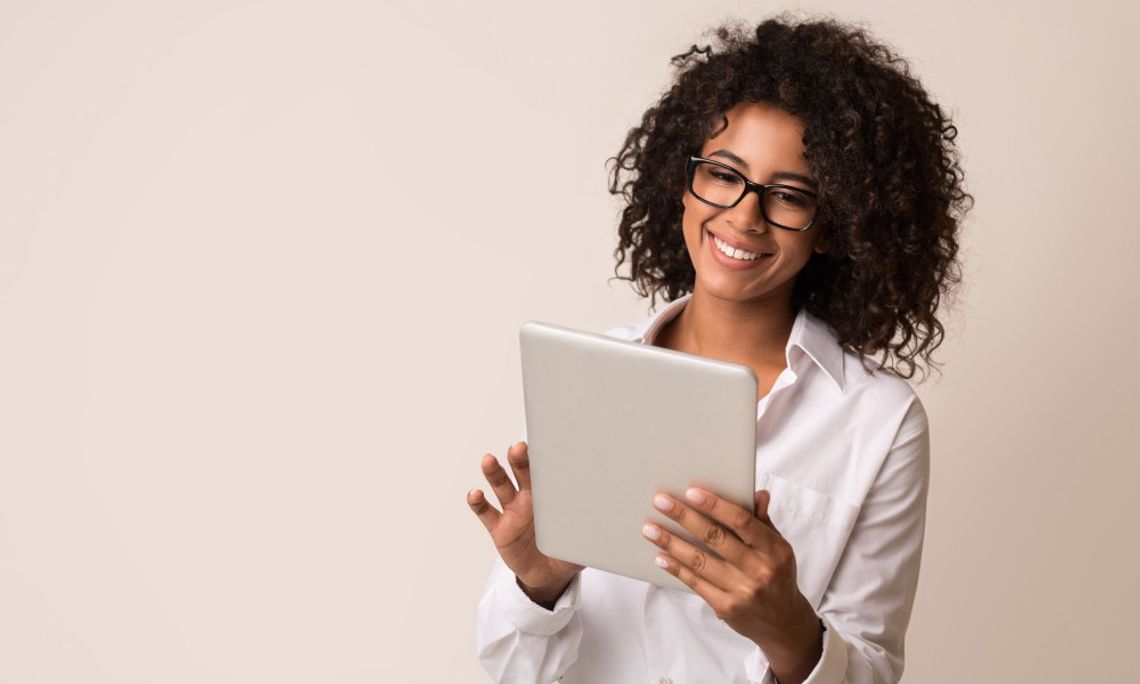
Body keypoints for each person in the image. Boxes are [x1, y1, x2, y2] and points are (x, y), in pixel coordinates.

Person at [466, 14, 971, 684]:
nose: (744, 216)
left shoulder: (879, 421)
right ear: (683, 182)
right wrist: (536, 585)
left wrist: (792, 631)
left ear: (830, 227)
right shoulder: (584, 381)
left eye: (789, 195)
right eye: (723, 174)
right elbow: (509, 672)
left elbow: (872, 669)